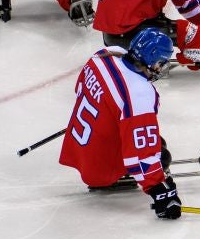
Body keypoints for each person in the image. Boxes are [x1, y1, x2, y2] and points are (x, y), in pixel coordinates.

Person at [59, 27, 182, 219]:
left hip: (77, 147)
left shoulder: (103, 56)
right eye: (161, 63)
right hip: (99, 169)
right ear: (152, 60)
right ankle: (112, 175)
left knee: (147, 137)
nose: (161, 68)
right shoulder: (138, 94)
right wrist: (159, 190)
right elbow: (142, 152)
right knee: (161, 152)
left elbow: (79, 89)